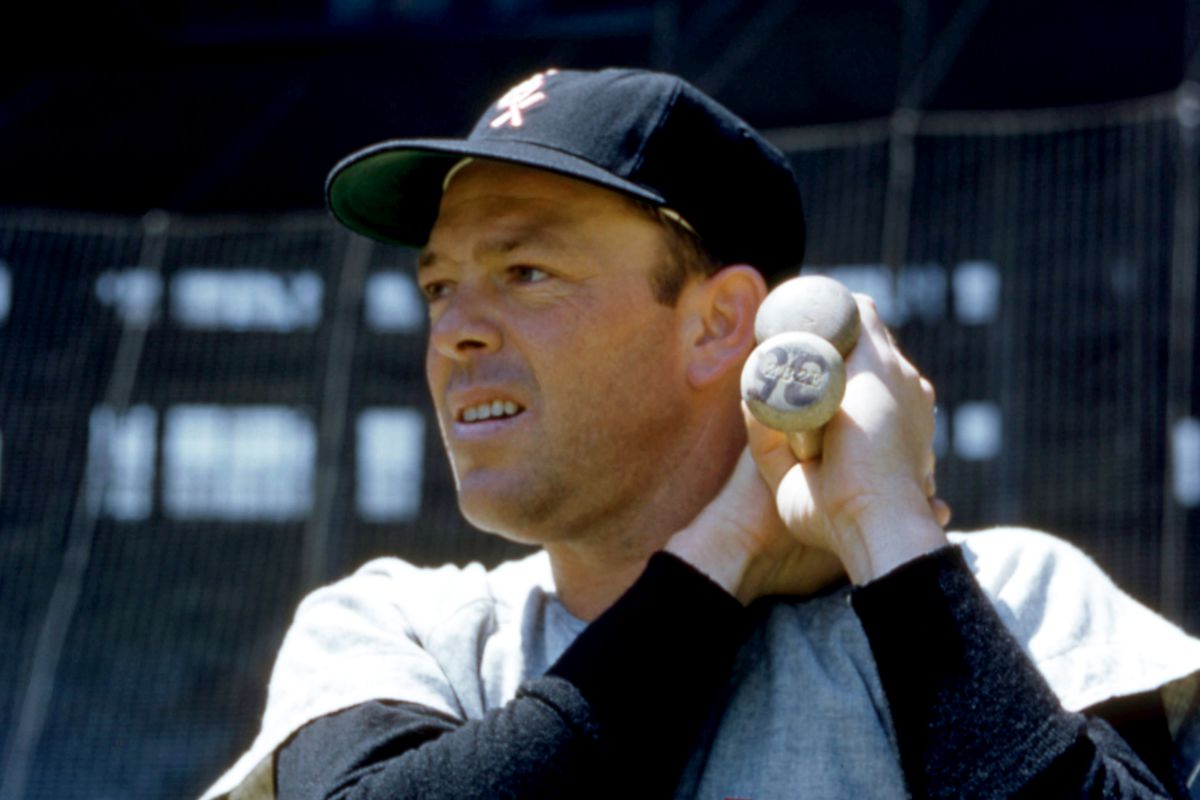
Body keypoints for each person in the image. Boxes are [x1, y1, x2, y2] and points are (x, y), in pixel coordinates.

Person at [202, 67, 1200, 799]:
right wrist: (725, 548)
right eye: (438, 284)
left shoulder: (1011, 598)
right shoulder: (400, 628)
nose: (453, 328)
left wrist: (889, 526)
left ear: (721, 323)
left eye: (525, 272)